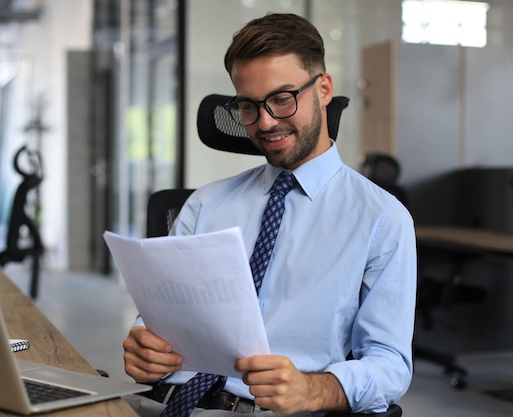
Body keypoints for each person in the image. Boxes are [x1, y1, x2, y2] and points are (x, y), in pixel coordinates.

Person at [122, 12, 416, 417]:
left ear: (324, 88)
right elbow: (159, 317)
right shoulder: (205, 204)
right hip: (164, 404)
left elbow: (390, 364)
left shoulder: (382, 220)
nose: (265, 122)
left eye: (282, 99)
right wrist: (143, 342)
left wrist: (315, 390)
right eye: (248, 106)